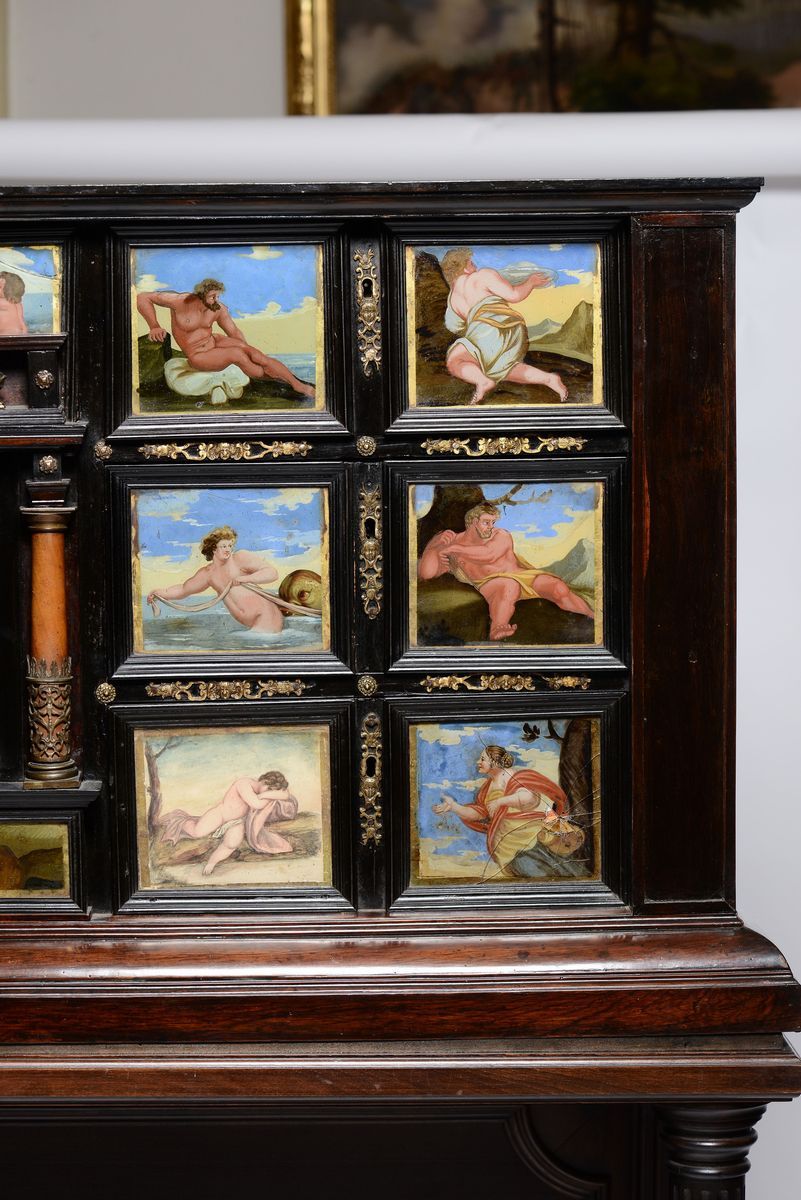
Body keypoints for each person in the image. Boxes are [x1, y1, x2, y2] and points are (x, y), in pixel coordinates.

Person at [418, 502, 594, 641]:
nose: (491, 527)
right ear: (473, 521)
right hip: (490, 583)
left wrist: (454, 548)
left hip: (522, 575)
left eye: (493, 522)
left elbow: (489, 554)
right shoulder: (452, 542)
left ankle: (591, 615)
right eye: (486, 522)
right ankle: (498, 628)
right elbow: (426, 573)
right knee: (508, 586)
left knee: (557, 587)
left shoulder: (500, 535)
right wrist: (434, 546)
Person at [136, 277, 314, 399]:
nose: (216, 299)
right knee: (237, 355)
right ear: (201, 295)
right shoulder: (180, 301)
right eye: (213, 296)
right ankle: (278, 379)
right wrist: (154, 325)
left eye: (218, 296)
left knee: (254, 354)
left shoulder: (218, 309)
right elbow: (143, 297)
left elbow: (233, 331)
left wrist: (249, 352)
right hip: (198, 354)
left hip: (214, 341)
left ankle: (296, 384)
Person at [441, 247, 567, 405]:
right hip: (509, 326)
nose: (475, 265)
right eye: (471, 262)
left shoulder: (452, 300)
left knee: (455, 360)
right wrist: (530, 282)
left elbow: (453, 326)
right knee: (499, 368)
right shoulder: (482, 276)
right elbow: (514, 295)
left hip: (488, 328)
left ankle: (483, 381)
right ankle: (548, 379)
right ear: (463, 266)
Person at [432, 744, 570, 878]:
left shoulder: (514, 776)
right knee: (521, 875)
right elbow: (480, 814)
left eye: (482, 759)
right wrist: (454, 807)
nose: (478, 762)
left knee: (544, 871)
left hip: (527, 836)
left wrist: (500, 801)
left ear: (495, 762)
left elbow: (528, 797)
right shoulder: (487, 788)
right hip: (505, 844)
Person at [147, 525, 284, 634]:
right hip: (254, 627)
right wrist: (157, 593)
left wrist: (245, 578)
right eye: (223, 546)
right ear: (213, 549)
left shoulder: (240, 558)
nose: (228, 549)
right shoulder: (208, 574)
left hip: (267, 618)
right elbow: (183, 590)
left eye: (230, 545)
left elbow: (272, 573)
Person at [159, 770, 298, 876]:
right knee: (197, 832)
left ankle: (212, 862)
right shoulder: (244, 783)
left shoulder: (262, 794)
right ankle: (178, 821)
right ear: (264, 781)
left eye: (271, 792)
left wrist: (266, 794)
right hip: (220, 815)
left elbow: (285, 795)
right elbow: (256, 803)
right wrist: (266, 795)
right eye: (269, 789)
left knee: (232, 844)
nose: (269, 795)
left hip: (236, 821)